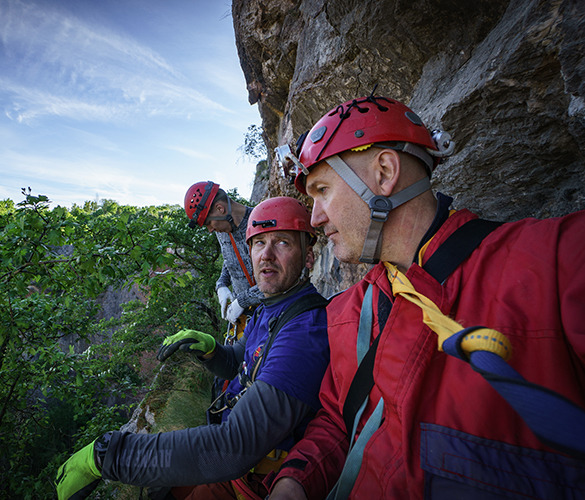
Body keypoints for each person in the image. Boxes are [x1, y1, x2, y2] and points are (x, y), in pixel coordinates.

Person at [267, 92, 585, 499]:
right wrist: (294, 483)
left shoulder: (551, 261)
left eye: (323, 190)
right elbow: (337, 420)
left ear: (384, 173)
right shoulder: (348, 311)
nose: (315, 218)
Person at [55, 196, 330, 500]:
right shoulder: (271, 308)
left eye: (282, 243)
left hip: (255, 480)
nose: (266, 255)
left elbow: (234, 446)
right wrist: (211, 349)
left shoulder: (305, 331)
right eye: (258, 243)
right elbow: (239, 362)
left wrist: (110, 455)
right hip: (235, 472)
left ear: (308, 257)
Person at [184, 181, 264, 328]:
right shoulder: (222, 230)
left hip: (273, 312)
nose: (209, 230)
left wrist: (242, 301)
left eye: (208, 223)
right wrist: (221, 284)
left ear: (220, 209)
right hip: (246, 318)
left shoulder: (261, 224)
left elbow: (279, 281)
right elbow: (230, 259)